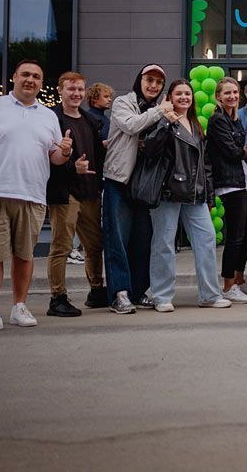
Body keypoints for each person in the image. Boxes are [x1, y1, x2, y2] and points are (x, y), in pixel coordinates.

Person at [0, 60, 72, 335]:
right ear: (14, 78)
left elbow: (54, 156)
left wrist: (66, 152)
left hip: (32, 195)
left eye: (36, 76)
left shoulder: (48, 116)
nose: (30, 80)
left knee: (24, 254)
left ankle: (19, 307)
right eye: (25, 74)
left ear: (41, 83)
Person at [143, 80, 231, 311]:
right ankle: (162, 296)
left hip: (195, 194)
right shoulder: (163, 120)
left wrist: (208, 195)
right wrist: (165, 121)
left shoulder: (195, 124)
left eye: (187, 94)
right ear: (169, 97)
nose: (184, 97)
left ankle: (210, 295)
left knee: (207, 239)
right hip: (168, 192)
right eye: (179, 93)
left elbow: (205, 164)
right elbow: (149, 148)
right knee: (164, 243)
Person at [102, 63, 171, 314]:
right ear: (139, 81)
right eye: (149, 80)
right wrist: (160, 111)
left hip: (145, 184)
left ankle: (138, 290)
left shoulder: (160, 109)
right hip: (119, 180)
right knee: (117, 240)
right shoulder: (123, 102)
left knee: (143, 240)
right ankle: (119, 293)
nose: (153, 86)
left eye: (158, 82)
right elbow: (131, 125)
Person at [45, 71, 108, 317]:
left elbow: (97, 154)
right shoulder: (51, 118)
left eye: (80, 89)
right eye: (71, 89)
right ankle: (57, 298)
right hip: (65, 191)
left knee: (95, 245)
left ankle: (96, 291)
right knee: (61, 246)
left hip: (90, 190)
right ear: (60, 90)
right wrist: (73, 167)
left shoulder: (90, 120)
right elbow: (45, 157)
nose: (76, 93)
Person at [207, 77, 247, 304]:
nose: (232, 96)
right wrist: (242, 151)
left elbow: (240, 150)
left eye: (235, 92)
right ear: (218, 96)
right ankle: (228, 285)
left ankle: (238, 278)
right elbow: (233, 151)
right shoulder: (218, 120)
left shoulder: (234, 119)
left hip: (243, 181)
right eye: (227, 93)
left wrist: (243, 152)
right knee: (236, 235)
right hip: (230, 183)